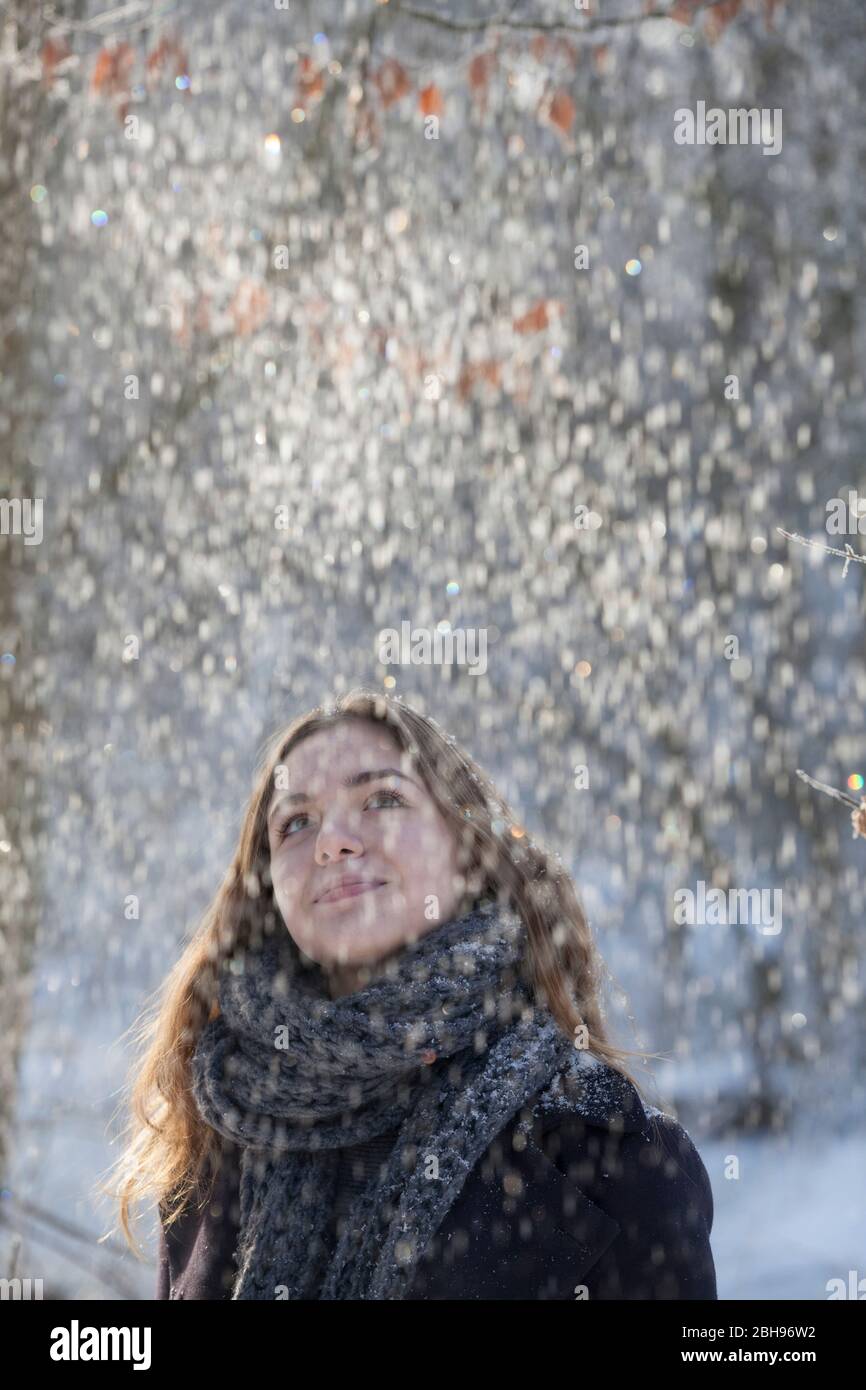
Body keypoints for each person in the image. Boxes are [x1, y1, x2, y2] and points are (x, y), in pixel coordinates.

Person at [101, 687, 717, 1300]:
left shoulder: (602, 1151)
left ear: (467, 851)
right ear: (268, 885)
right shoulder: (213, 1149)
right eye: (296, 822)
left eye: (381, 799)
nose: (332, 842)